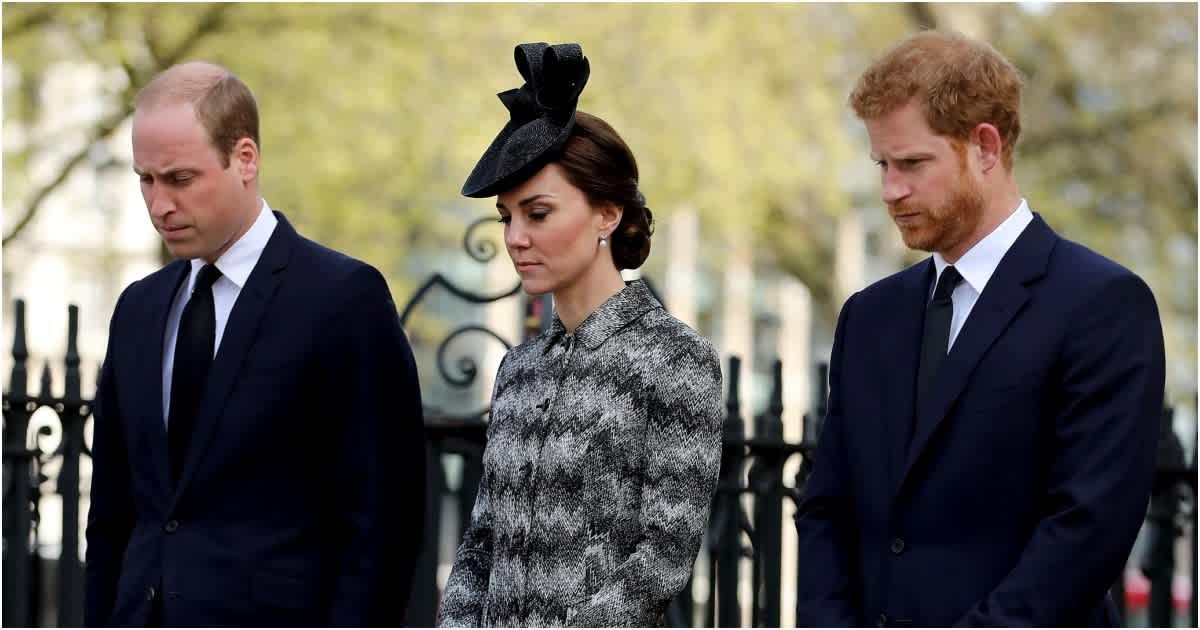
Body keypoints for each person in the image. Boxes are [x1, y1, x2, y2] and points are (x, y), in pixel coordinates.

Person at [795, 30, 1166, 627]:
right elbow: (827, 509)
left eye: (913, 163)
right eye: (883, 165)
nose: (891, 190)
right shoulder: (868, 317)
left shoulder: (1102, 304)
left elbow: (1087, 529)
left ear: (986, 147)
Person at [84, 61, 426, 626]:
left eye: (180, 178)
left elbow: (382, 524)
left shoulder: (343, 299)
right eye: (145, 179)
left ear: (246, 158)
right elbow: (112, 514)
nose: (159, 204)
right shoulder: (138, 309)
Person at [437, 42, 724, 627]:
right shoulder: (518, 367)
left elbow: (662, 557)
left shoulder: (676, 360)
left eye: (537, 213)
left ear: (607, 214)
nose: (516, 236)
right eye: (507, 217)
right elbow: (481, 543)